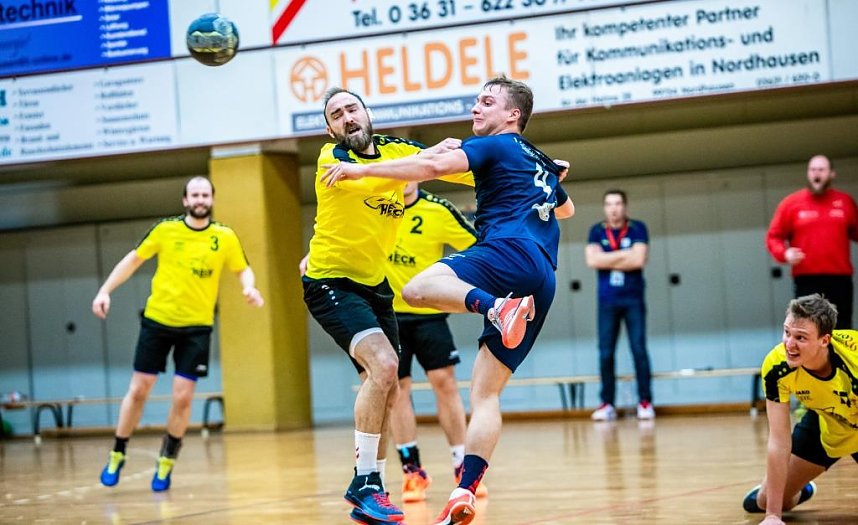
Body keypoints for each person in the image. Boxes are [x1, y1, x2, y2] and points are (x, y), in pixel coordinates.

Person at [321, 75, 575, 525]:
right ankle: (465, 489)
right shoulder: (533, 158)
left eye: (486, 101)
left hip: (507, 252)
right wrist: (546, 178)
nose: (476, 107)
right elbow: (566, 210)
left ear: (512, 115)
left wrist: (364, 170)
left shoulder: (497, 146)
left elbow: (430, 169)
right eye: (476, 100)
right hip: (544, 276)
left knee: (416, 290)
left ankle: (495, 307)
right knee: (486, 393)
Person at [301, 87, 471, 525]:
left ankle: (370, 491)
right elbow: (401, 171)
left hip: (375, 287)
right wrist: (427, 159)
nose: (346, 118)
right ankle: (365, 483)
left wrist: (525, 173)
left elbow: (447, 166)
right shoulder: (331, 162)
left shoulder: (398, 150)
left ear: (368, 112)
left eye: (352, 108)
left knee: (388, 383)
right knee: (382, 365)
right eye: (336, 115)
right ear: (329, 128)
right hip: (330, 283)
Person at [92, 176, 264, 492]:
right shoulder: (165, 230)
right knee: (139, 389)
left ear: (212, 199)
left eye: (205, 194)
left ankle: (166, 460)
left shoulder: (224, 237)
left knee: (183, 397)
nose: (200, 199)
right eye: (194, 195)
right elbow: (133, 261)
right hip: (158, 322)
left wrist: (248, 287)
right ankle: (118, 452)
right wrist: (105, 291)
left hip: (197, 328)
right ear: (185, 200)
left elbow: (242, 268)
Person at [386, 181, 486, 503]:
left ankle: (462, 465)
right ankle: (412, 471)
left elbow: (477, 244)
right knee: (396, 390)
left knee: (445, 383)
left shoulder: (438, 209)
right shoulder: (373, 205)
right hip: (387, 313)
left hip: (428, 310)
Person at [741, 294, 858, 524]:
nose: (789, 344)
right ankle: (800, 490)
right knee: (763, 501)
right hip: (827, 423)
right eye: (787, 332)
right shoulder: (776, 366)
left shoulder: (853, 358)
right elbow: (778, 441)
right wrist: (773, 515)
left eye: (801, 337)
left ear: (825, 340)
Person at [585, 189, 654, 421]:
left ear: (625, 207)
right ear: (604, 208)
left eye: (617, 204)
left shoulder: (638, 228)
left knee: (638, 349)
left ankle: (645, 401)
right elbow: (592, 260)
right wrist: (625, 255)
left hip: (633, 299)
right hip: (607, 301)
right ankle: (607, 403)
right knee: (605, 353)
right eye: (609, 204)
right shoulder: (596, 231)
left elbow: (639, 259)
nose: (613, 208)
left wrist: (609, 257)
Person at [766, 155, 858, 328]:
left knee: (842, 328)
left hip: (840, 279)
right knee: (808, 328)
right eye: (813, 169)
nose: (816, 173)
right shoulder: (792, 203)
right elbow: (774, 236)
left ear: (831, 174)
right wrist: (784, 253)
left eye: (821, 170)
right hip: (807, 279)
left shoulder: (845, 202)